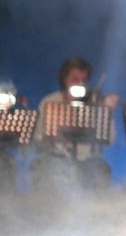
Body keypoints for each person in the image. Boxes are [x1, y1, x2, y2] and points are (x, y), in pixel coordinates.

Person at [32, 57, 117, 190]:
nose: (79, 84)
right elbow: (37, 136)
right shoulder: (50, 102)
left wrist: (108, 113)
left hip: (87, 160)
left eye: (84, 80)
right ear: (65, 80)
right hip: (56, 157)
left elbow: (110, 139)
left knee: (101, 170)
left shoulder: (96, 104)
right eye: (75, 79)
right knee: (42, 166)